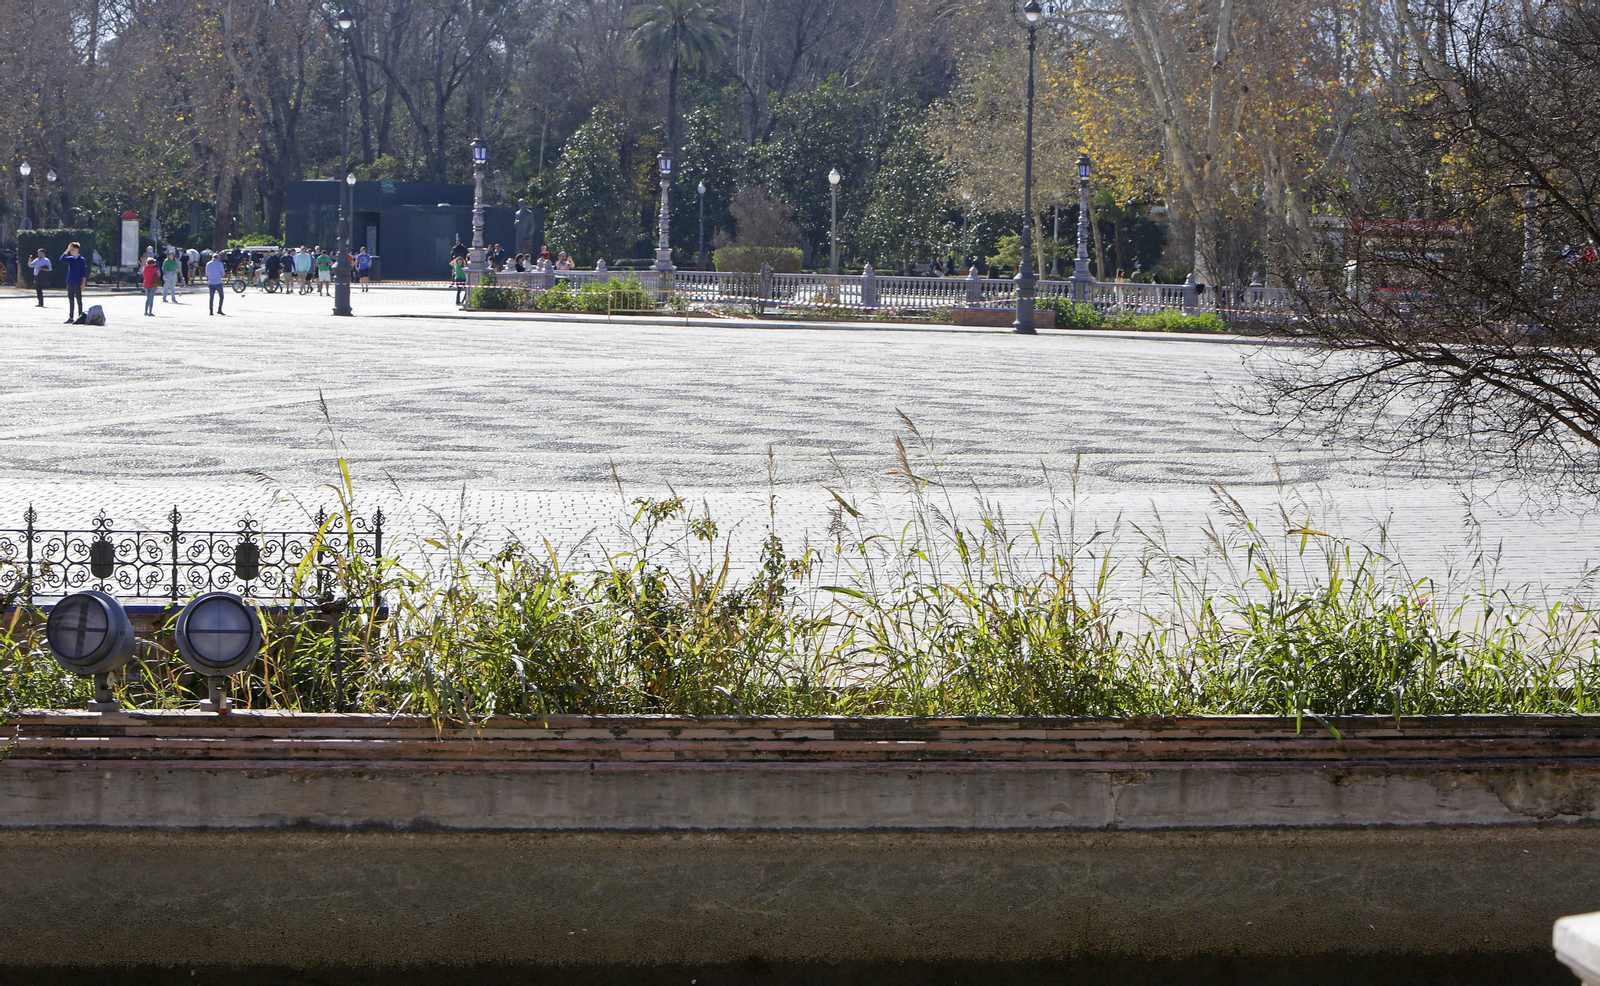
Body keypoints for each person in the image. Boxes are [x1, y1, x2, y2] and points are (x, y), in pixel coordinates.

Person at [58, 242, 89, 323]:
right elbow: (62, 259)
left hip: (77, 283)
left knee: (79, 300)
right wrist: (68, 249)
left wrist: (83, 284)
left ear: (77, 249)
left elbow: (84, 273)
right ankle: (71, 317)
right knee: (71, 301)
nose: (71, 251)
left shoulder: (82, 260)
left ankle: (80, 316)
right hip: (70, 282)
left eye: (72, 250)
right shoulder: (71, 259)